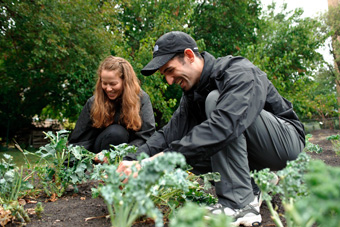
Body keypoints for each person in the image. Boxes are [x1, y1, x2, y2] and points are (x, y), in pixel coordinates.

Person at [119, 31, 305, 226]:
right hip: (257, 150)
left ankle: (239, 206)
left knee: (214, 104)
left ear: (189, 56)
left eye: (170, 70)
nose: (169, 81)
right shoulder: (192, 93)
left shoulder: (237, 71)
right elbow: (168, 134)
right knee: (191, 145)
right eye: (164, 74)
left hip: (287, 144)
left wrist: (157, 161)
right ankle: (254, 184)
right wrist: (132, 161)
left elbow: (225, 125)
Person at [68, 56, 156, 154]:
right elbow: (79, 141)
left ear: (125, 82)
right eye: (104, 83)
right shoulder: (93, 103)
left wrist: (120, 154)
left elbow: (146, 138)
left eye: (113, 84)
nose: (108, 89)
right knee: (116, 133)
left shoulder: (142, 100)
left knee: (118, 133)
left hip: (130, 154)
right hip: (97, 154)